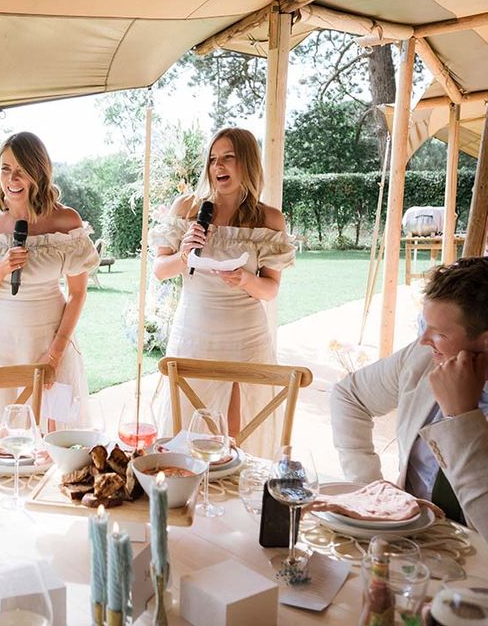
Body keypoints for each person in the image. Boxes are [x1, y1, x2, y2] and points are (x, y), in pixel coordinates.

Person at [149, 127, 295, 459]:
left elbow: (270, 289)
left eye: (228, 157)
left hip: (247, 339)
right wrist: (184, 255)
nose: (218, 167)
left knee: (241, 436)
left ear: (247, 162)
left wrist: (244, 280)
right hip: (195, 336)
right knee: (187, 435)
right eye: (213, 159)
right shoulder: (187, 208)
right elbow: (160, 271)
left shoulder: (269, 218)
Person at [0, 131, 99, 432]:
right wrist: (1, 269)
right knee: (0, 441)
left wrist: (54, 355)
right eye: (5, 169)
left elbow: (78, 293)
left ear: (38, 172)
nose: (11, 179)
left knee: (58, 441)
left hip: (50, 343)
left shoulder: (65, 221)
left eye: (21, 170)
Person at [331, 257, 488, 539]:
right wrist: (370, 488)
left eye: (439, 333)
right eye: (422, 324)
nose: (423, 340)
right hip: (410, 545)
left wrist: (461, 417)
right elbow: (349, 397)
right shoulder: (423, 357)